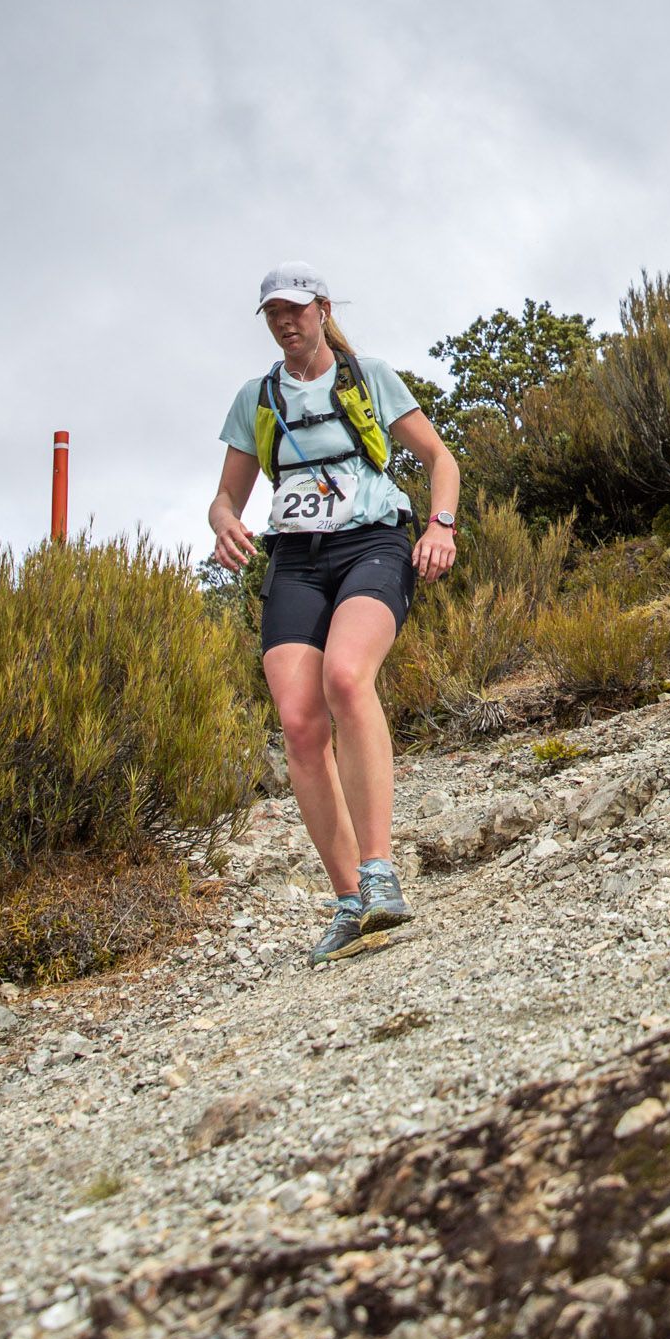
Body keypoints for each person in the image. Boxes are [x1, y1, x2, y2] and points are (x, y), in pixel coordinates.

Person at [210, 263, 459, 964]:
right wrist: (222, 521)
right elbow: (224, 497)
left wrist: (439, 526)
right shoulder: (256, 397)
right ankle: (349, 901)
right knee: (297, 723)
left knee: (347, 680)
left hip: (373, 545)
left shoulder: (367, 375)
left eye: (295, 309)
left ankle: (379, 871)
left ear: (321, 309)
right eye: (272, 314)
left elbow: (440, 457)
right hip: (294, 560)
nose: (285, 322)